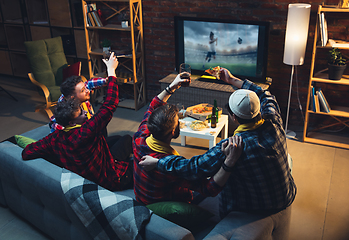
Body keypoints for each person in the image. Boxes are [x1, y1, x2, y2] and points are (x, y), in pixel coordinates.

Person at [139, 68, 297, 219]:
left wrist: (159, 163)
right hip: (287, 195)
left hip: (255, 207)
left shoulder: (232, 146)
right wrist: (232, 79)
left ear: (233, 117)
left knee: (227, 177)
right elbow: (265, 93)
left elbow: (195, 168)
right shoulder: (274, 119)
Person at [22, 53, 133, 191]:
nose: (86, 112)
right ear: (73, 123)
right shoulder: (86, 132)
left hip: (90, 164)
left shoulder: (54, 138)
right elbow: (110, 104)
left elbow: (26, 152)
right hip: (110, 178)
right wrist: (111, 72)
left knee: (123, 140)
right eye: (81, 113)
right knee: (140, 165)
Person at [133, 74, 243, 206]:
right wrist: (229, 162)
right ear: (173, 132)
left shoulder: (139, 137)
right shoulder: (171, 165)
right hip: (163, 202)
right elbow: (209, 188)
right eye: (177, 121)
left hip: (141, 195)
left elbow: (153, 106)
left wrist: (172, 86)